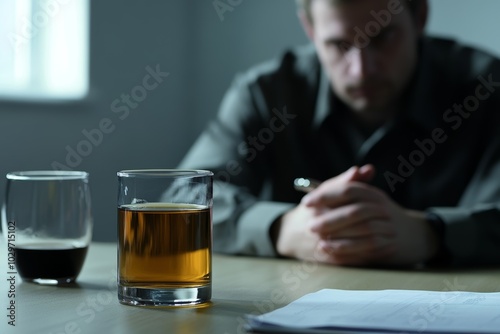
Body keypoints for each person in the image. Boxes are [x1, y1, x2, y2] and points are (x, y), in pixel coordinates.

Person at [179, 0, 500, 267]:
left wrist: (430, 234)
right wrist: (282, 229)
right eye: (339, 44)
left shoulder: (488, 90)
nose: (361, 69)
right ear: (310, 29)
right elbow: (182, 197)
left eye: (383, 37)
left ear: (420, 18)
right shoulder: (267, 94)